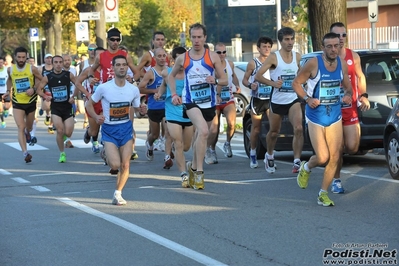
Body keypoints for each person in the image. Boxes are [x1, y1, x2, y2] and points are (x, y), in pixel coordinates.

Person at [292, 32, 353, 206]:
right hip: (316, 116)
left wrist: (348, 95)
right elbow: (296, 83)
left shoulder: (342, 64)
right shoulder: (313, 63)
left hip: (334, 114)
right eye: (329, 46)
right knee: (322, 157)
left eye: (336, 46)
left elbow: (348, 88)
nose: (334, 49)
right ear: (323, 47)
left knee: (335, 156)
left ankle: (323, 193)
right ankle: (306, 167)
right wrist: (307, 99)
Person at [168, 22, 227, 190]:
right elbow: (170, 77)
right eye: (193, 37)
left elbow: (224, 80)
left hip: (208, 102)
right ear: (190, 38)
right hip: (190, 101)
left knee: (201, 136)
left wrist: (214, 80)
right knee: (204, 131)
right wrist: (174, 94)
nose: (196, 40)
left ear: (205, 38)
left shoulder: (213, 57)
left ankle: (192, 167)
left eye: (199, 37)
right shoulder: (183, 58)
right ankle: (200, 172)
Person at [85, 55, 146, 205]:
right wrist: (95, 116)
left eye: (124, 65)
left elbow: (137, 110)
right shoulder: (104, 88)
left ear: (127, 68)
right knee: (115, 165)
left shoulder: (133, 89)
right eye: (118, 65)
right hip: (109, 130)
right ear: (113, 68)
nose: (121, 67)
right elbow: (88, 104)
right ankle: (105, 151)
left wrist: (142, 110)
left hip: (126, 129)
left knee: (125, 164)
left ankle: (118, 193)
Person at [255, 27, 303, 174]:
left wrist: (302, 84)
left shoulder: (297, 57)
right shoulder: (274, 57)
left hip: (293, 99)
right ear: (281, 41)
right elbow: (258, 76)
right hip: (277, 100)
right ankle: (269, 155)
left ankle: (296, 161)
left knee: (299, 128)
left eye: (292, 39)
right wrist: (273, 83)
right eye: (287, 39)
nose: (290, 42)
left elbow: (302, 74)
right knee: (274, 132)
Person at [330, 22, 370, 194]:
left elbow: (360, 76)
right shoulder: (326, 58)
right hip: (331, 109)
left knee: (353, 147)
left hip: (350, 107)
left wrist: (363, 96)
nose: (341, 38)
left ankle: (333, 156)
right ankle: (336, 179)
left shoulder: (353, 56)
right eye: (337, 35)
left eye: (343, 35)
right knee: (337, 148)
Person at [155, 46, 194, 187]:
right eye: (179, 58)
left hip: (188, 112)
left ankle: (184, 162)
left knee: (186, 147)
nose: (182, 62)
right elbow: (162, 89)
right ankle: (183, 174)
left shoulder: (191, 73)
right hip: (172, 112)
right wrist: (159, 95)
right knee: (178, 143)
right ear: (173, 60)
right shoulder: (167, 73)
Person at [35, 55, 84, 162]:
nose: (58, 64)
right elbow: (39, 89)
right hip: (56, 108)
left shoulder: (68, 75)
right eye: (55, 62)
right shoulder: (48, 77)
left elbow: (78, 85)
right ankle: (62, 153)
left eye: (60, 62)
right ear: (52, 64)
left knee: (69, 132)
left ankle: (65, 138)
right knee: (60, 131)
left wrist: (74, 96)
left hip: (67, 107)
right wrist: (45, 96)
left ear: (62, 64)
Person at [4, 46, 43, 162]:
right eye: (19, 57)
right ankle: (25, 153)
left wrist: (34, 88)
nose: (21, 59)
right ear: (15, 57)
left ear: (26, 57)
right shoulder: (11, 69)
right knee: (21, 126)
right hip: (17, 102)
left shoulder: (32, 69)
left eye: (23, 57)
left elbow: (42, 80)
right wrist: (7, 91)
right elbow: (9, 80)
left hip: (30, 101)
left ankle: (28, 132)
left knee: (29, 127)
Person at [205, 42, 241, 164]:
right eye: (219, 52)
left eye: (224, 52)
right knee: (214, 128)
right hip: (214, 100)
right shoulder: (211, 65)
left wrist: (237, 84)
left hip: (228, 98)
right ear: (214, 52)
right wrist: (217, 94)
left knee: (231, 124)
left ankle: (227, 143)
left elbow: (233, 75)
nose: (221, 54)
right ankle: (211, 149)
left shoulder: (230, 64)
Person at [242, 36, 273, 168]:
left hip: (271, 99)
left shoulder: (274, 62)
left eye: (268, 47)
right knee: (256, 129)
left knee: (273, 129)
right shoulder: (253, 63)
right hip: (258, 100)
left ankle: (270, 156)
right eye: (264, 47)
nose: (266, 49)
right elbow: (244, 80)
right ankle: (253, 153)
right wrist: (250, 85)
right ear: (258, 48)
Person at [139, 47, 173, 168]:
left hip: (167, 106)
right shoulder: (151, 73)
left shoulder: (170, 71)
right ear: (155, 58)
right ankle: (149, 144)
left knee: (168, 131)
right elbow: (140, 88)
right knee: (154, 134)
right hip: (154, 107)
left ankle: (167, 156)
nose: (162, 58)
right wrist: (154, 90)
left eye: (164, 56)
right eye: (159, 56)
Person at [76, 47, 105, 154]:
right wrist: (87, 93)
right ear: (94, 56)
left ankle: (106, 148)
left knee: (105, 124)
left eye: (103, 55)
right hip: (92, 104)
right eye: (98, 55)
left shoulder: (108, 70)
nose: (101, 57)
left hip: (105, 103)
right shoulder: (89, 70)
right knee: (94, 131)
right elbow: (78, 83)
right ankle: (89, 133)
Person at [79, 43, 97, 129]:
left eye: (94, 50)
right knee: (86, 109)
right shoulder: (83, 63)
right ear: (87, 51)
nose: (92, 52)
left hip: (98, 89)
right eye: (90, 50)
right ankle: (89, 123)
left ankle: (91, 128)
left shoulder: (100, 63)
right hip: (87, 90)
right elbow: (79, 78)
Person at [40, 53, 55, 134]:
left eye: (50, 58)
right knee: (47, 107)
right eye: (47, 58)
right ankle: (47, 115)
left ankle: (51, 126)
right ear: (44, 60)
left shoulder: (55, 68)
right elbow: (38, 79)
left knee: (54, 109)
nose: (49, 60)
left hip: (54, 91)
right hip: (45, 91)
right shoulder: (41, 69)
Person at [0, 57, 10, 128]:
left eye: (1, 62)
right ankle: (3, 121)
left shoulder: (7, 70)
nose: (0, 64)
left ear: (4, 63)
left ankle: (6, 110)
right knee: (0, 108)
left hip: (6, 91)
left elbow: (10, 79)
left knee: (6, 106)